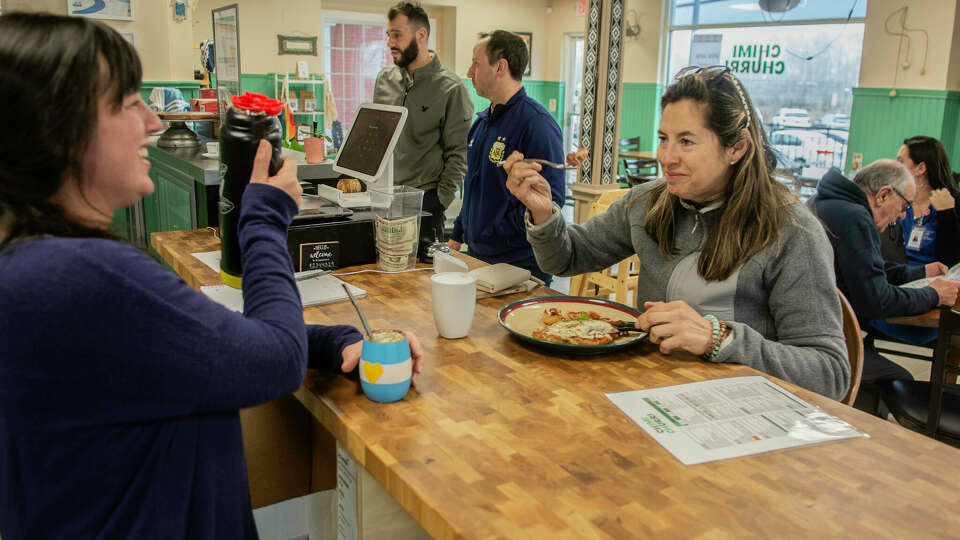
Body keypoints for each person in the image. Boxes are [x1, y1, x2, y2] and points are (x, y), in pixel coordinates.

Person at [0, 13, 423, 539]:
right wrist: (265, 218)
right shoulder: (71, 276)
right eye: (128, 103)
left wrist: (334, 343)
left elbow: (197, 344)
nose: (153, 123)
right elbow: (273, 362)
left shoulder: (40, 267)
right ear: (58, 128)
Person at [504, 65, 851, 400]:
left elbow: (829, 375)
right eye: (663, 138)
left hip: (742, 424)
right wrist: (543, 211)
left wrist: (718, 337)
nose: (666, 157)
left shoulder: (791, 232)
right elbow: (566, 258)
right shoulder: (647, 203)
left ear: (737, 147)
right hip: (651, 397)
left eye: (686, 141)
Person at [807, 160, 959, 414]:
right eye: (904, 205)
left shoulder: (829, 203)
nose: (902, 215)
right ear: (884, 194)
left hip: (825, 330)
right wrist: (934, 294)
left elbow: (866, 268)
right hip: (830, 342)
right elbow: (878, 301)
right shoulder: (855, 216)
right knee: (901, 379)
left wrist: (920, 272)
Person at [447, 30, 565, 285]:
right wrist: (458, 235)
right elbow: (473, 189)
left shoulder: (537, 124)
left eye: (476, 64)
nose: (469, 72)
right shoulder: (482, 123)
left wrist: (495, 231)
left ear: (499, 67)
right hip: (479, 257)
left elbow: (552, 199)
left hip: (521, 263)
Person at [373, 2, 473, 253]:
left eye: (397, 35)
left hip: (425, 200)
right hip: (382, 197)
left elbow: (458, 154)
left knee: (420, 281)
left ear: (421, 35)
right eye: (388, 35)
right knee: (380, 272)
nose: (390, 42)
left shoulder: (452, 88)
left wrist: (439, 202)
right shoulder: (384, 80)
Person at [873, 136, 960, 345]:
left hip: (932, 295)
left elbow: (953, 262)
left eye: (901, 162)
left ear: (921, 168)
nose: (895, 167)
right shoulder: (894, 201)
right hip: (893, 285)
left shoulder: (952, 203)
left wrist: (948, 214)